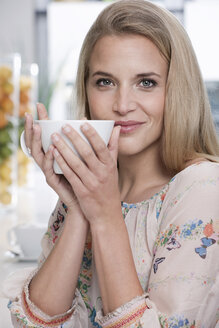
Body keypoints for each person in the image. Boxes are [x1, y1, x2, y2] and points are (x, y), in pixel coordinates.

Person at [3, 0, 219, 327]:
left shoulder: (203, 188)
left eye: (146, 82)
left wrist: (104, 216)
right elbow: (35, 323)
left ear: (177, 90)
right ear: (86, 90)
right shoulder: (90, 184)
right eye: (105, 82)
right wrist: (77, 207)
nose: (122, 105)